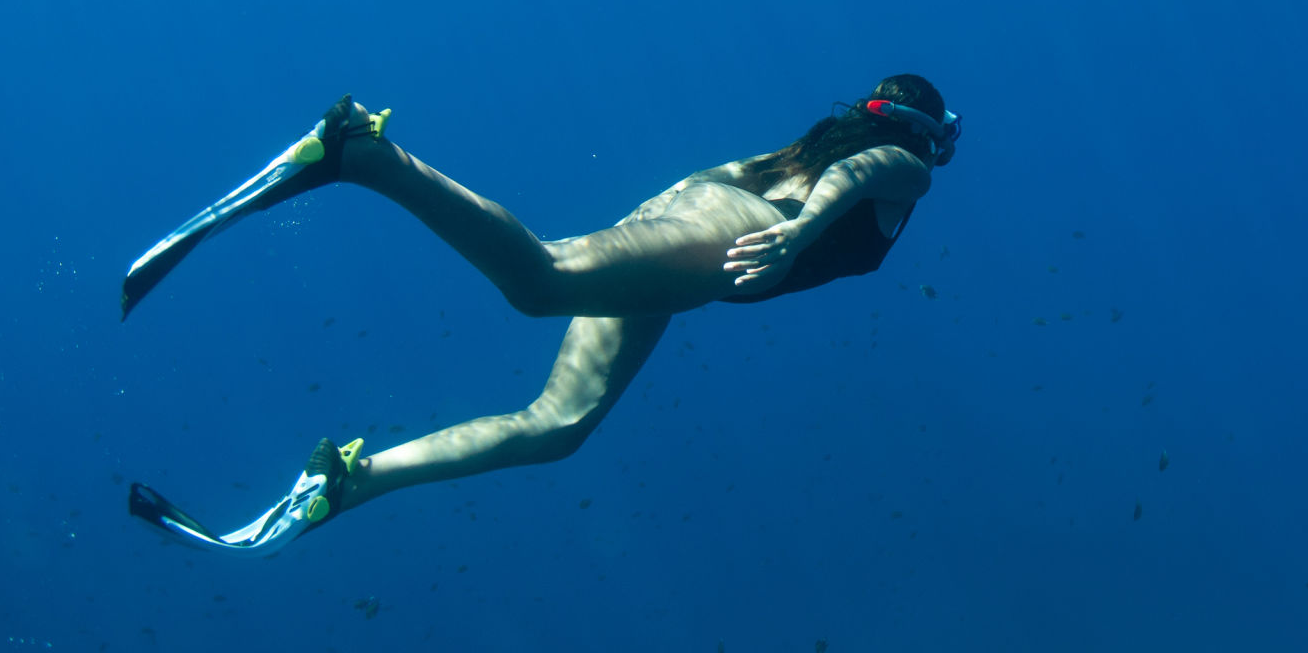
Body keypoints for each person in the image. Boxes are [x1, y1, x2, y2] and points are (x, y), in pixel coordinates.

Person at [122, 74, 958, 557]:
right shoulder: (907, 169)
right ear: (929, 133)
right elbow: (873, 168)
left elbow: (712, 181)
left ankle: (349, 481)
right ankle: (362, 157)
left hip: (704, 229)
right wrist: (796, 235)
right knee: (542, 282)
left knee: (560, 424)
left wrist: (681, 224)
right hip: (733, 234)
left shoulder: (809, 142)